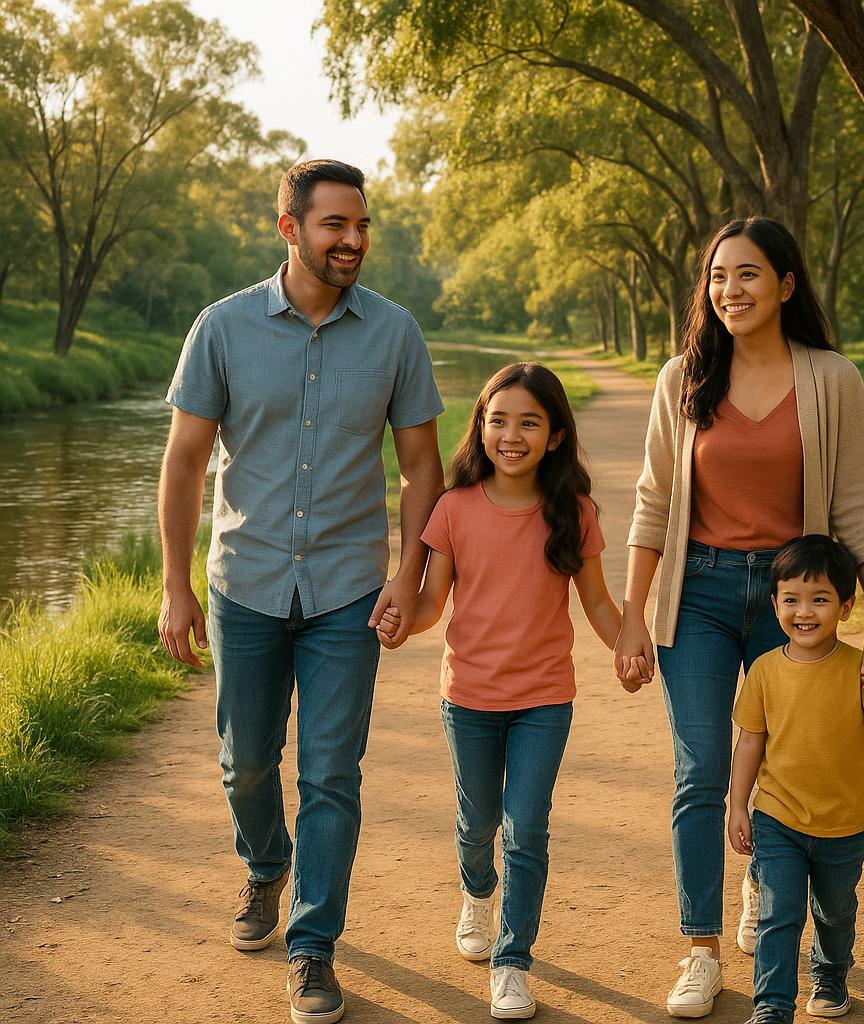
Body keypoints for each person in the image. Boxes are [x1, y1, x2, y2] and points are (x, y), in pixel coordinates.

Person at [157, 159, 445, 1024]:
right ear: (290, 229)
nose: (353, 240)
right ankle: (265, 861)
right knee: (245, 763)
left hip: (347, 594)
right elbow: (184, 463)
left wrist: (408, 575)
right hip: (244, 582)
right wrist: (177, 587)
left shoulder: (395, 334)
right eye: (335, 226)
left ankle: (313, 948)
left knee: (331, 773)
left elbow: (422, 466)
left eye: (362, 226)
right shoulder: (222, 329)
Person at [613, 216, 864, 1018]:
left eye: (746, 275)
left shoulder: (832, 378)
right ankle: (700, 948)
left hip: (795, 602)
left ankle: (758, 878)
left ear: (785, 284)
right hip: (698, 592)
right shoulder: (683, 378)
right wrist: (635, 612)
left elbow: (855, 507)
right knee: (702, 769)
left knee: (786, 764)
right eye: (716, 277)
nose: (728, 291)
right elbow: (653, 500)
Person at [376, 362, 643, 1020]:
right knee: (477, 824)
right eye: (499, 420)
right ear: (481, 428)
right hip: (467, 697)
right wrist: (403, 620)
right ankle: (476, 893)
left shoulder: (571, 513)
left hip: (544, 701)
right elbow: (434, 602)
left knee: (527, 829)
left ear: (554, 436)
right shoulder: (454, 509)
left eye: (529, 422)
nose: (511, 434)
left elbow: (600, 604)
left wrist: (630, 646)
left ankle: (511, 961)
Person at [728, 535, 864, 1023]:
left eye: (820, 599)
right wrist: (737, 805)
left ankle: (829, 974)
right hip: (778, 819)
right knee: (778, 917)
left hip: (844, 824)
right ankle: (772, 1007)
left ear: (847, 606)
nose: (804, 612)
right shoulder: (764, 671)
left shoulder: (858, 670)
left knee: (834, 913)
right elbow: (749, 743)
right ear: (775, 604)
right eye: (791, 599)